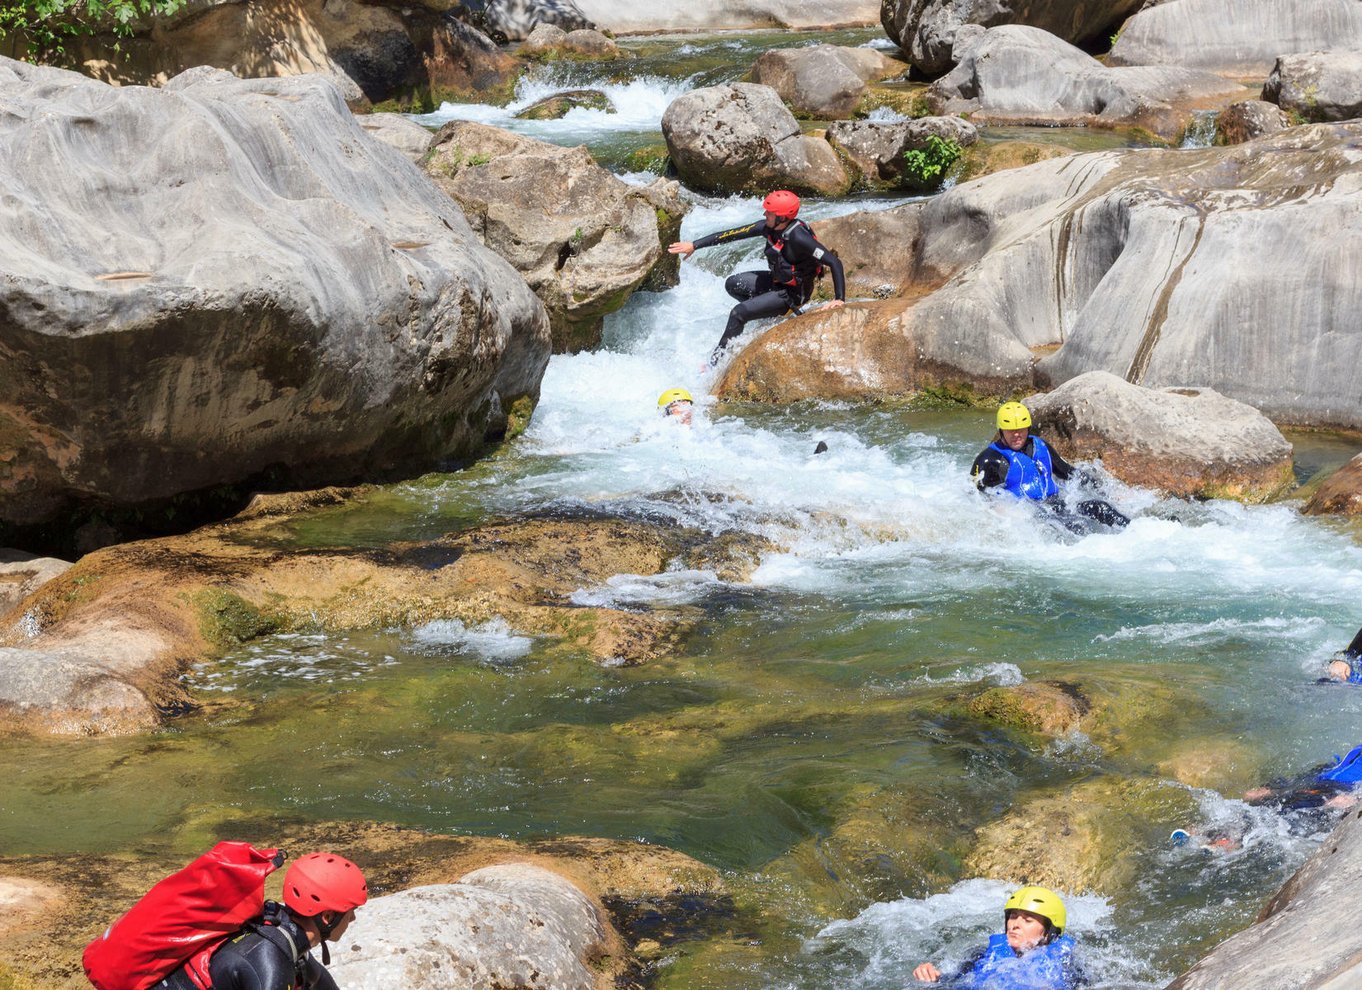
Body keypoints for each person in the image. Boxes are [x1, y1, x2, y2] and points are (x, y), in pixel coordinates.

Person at [667, 190, 846, 365]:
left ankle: (715, 363)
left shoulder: (799, 237)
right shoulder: (767, 227)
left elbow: (834, 262)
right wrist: (694, 245)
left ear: (782, 218)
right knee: (732, 284)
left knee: (738, 313)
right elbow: (733, 234)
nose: (765, 214)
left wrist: (839, 299)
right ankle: (767, 312)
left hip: (793, 294)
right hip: (777, 283)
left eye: (770, 212)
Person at [157, 852, 367, 990]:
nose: (354, 918)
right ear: (327, 917)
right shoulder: (271, 968)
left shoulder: (280, 928)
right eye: (350, 912)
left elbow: (319, 980)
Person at [971, 402, 1129, 531]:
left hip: (1057, 506)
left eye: (1021, 429)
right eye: (1011, 431)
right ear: (1001, 431)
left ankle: (1137, 533)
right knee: (1074, 527)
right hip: (1030, 515)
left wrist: (1106, 489)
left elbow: (1069, 473)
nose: (1017, 435)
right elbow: (975, 498)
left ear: (1028, 428)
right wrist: (1002, 512)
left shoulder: (1041, 446)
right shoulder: (989, 460)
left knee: (1101, 508)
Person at [913, 886, 1086, 988]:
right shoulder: (981, 955)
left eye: (1027, 920)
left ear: (1049, 932)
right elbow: (952, 984)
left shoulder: (1068, 965)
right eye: (1012, 917)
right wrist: (933, 978)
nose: (1015, 924)